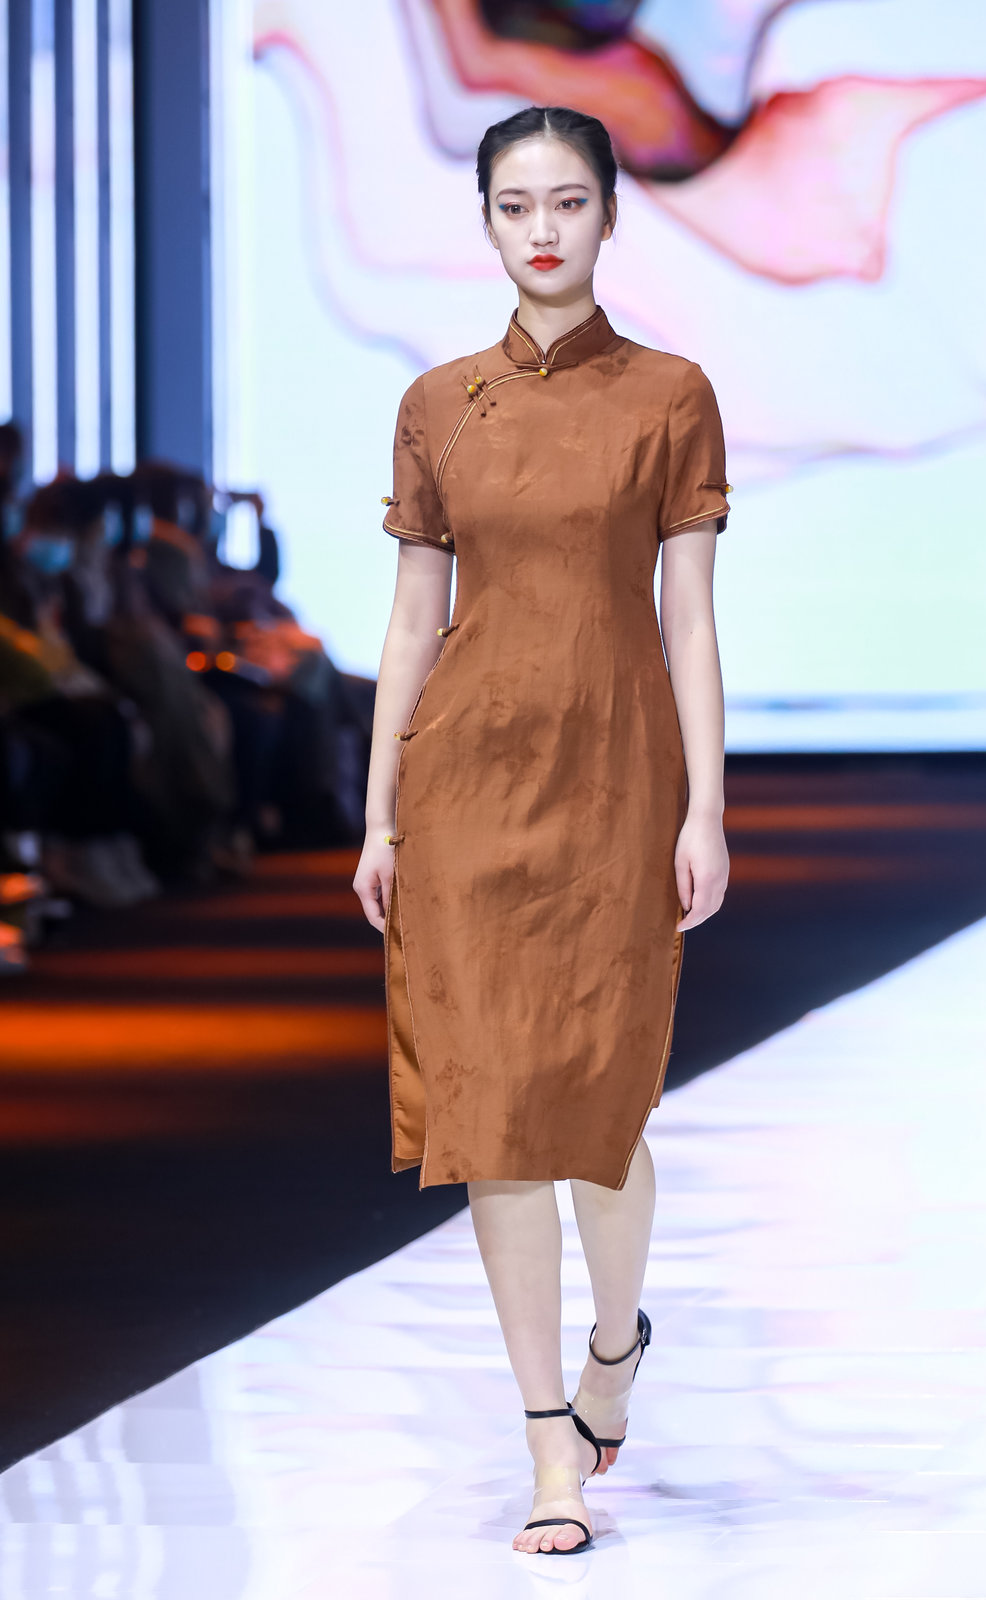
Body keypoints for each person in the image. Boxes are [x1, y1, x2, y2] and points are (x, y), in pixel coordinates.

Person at [352, 104, 732, 1556]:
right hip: (465, 787)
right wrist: (380, 812)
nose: (545, 229)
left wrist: (708, 804)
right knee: (494, 1117)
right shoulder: (438, 403)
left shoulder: (671, 395)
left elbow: (688, 620)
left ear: (610, 214)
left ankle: (615, 1346)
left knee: (602, 1107)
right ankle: (546, 1448)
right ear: (488, 223)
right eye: (517, 206)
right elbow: (412, 620)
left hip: (618, 782)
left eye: (569, 201)